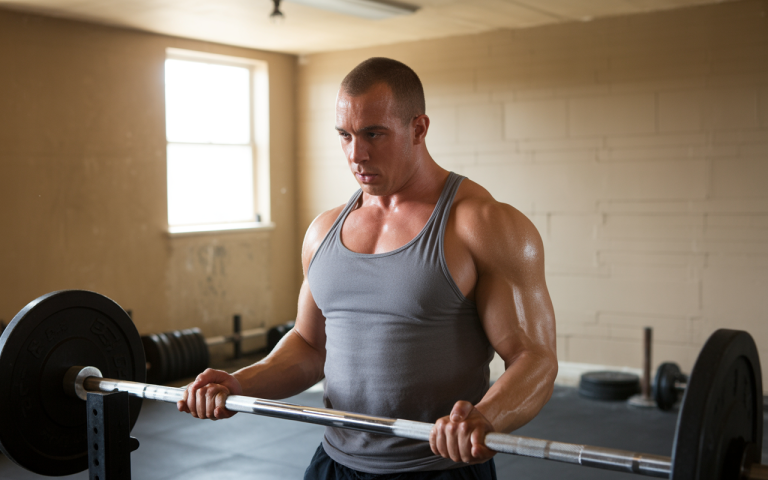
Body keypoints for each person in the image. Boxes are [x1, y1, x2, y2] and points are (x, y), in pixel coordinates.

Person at [177, 57, 558, 479]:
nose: (356, 154)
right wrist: (240, 383)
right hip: (334, 463)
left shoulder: (482, 224)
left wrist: (485, 418)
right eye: (345, 135)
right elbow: (309, 345)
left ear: (418, 128)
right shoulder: (323, 232)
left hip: (438, 468)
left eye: (374, 134)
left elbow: (534, 357)